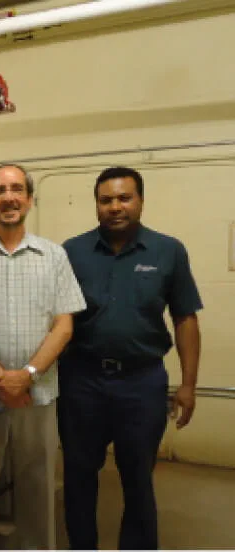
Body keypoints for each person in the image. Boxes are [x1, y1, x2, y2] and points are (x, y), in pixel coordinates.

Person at [59, 166, 202, 550]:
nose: (115, 207)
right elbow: (56, 320)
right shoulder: (71, 252)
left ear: (140, 200)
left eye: (124, 198)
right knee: (78, 475)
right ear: (96, 205)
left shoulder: (168, 251)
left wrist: (188, 386)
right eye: (106, 200)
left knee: (138, 477)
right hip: (81, 382)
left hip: (142, 383)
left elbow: (185, 318)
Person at [0, 164, 85, 550]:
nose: (8, 197)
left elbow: (64, 325)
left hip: (38, 394)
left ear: (29, 198)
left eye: (16, 189)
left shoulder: (54, 256)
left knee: (37, 488)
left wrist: (26, 375)